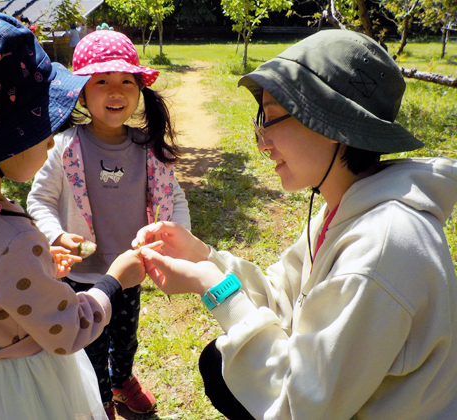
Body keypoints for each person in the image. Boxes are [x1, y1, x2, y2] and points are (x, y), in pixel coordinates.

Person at [133, 29, 457, 420]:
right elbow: (283, 295)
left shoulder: (381, 247)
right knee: (217, 363)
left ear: (331, 122)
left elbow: (299, 408)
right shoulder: (346, 205)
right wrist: (204, 257)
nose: (263, 141)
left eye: (270, 119)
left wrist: (213, 288)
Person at [0, 13, 153, 420]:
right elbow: (67, 329)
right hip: (23, 392)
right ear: (4, 141)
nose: (52, 139)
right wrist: (114, 281)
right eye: (43, 127)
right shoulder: (11, 238)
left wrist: (37, 268)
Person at [27, 29, 190, 419]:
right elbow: (39, 199)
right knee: (91, 344)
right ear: (82, 93)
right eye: (101, 82)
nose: (115, 92)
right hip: (82, 276)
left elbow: (176, 198)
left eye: (126, 82)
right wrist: (56, 234)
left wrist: (176, 236)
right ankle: (98, 398)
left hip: (130, 269)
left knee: (126, 335)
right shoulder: (64, 147)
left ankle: (122, 380)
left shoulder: (148, 149)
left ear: (139, 91)